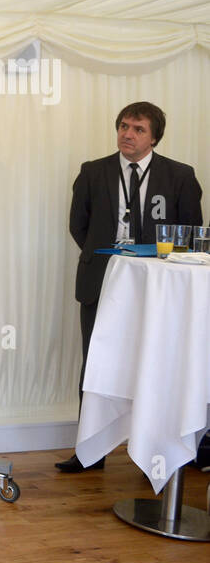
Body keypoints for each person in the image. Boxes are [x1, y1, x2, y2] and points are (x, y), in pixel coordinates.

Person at [58, 101, 203, 472]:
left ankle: (163, 450)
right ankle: (90, 452)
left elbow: (190, 234)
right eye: (123, 126)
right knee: (96, 363)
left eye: (138, 129)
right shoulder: (93, 172)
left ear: (154, 137)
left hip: (161, 290)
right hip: (103, 281)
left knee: (160, 364)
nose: (128, 134)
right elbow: (80, 226)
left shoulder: (181, 176)